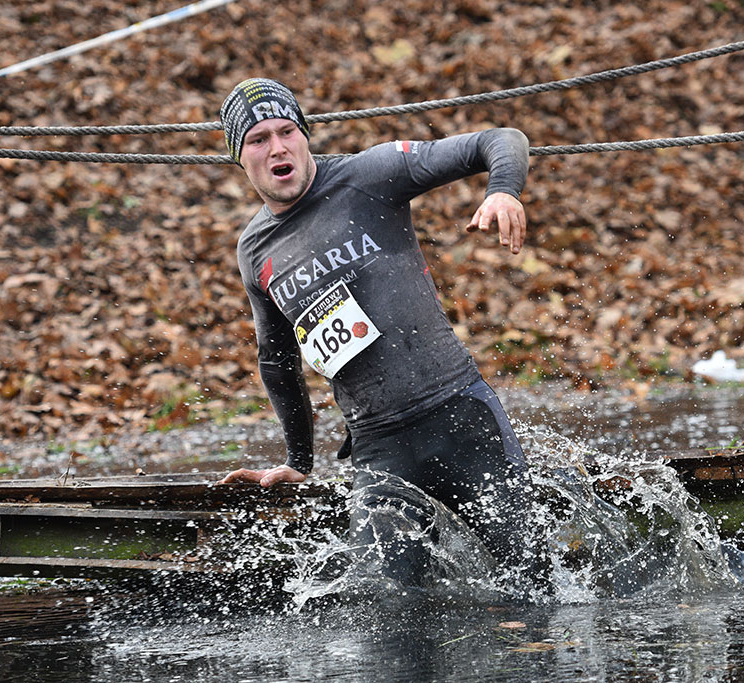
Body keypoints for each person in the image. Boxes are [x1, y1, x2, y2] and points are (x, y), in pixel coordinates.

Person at [218, 78, 541, 587]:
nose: (277, 148)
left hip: (458, 414)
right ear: (239, 156)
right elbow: (276, 360)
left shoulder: (369, 174)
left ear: (304, 135)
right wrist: (299, 460)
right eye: (258, 139)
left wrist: (503, 191)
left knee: (534, 581)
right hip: (379, 448)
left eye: (287, 132)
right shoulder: (254, 249)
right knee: (391, 605)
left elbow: (501, 139)